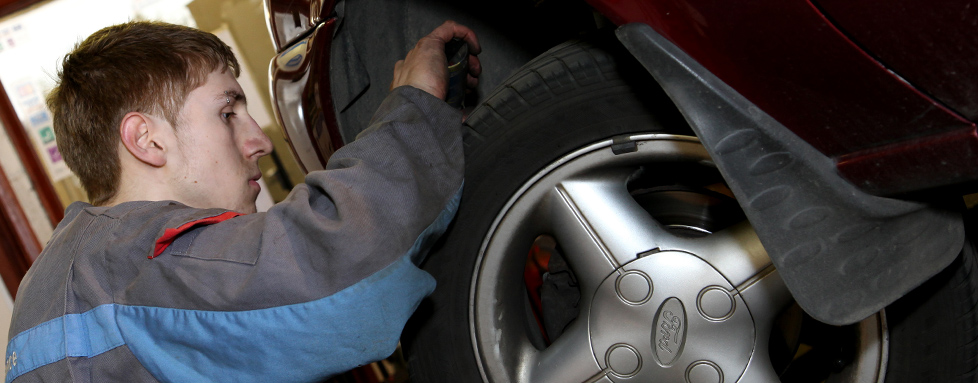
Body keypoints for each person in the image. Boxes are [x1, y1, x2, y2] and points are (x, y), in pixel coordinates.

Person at [4, 19, 480, 382]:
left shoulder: (58, 277)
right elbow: (333, 269)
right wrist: (417, 102)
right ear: (146, 141)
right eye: (228, 112)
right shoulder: (132, 264)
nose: (259, 141)